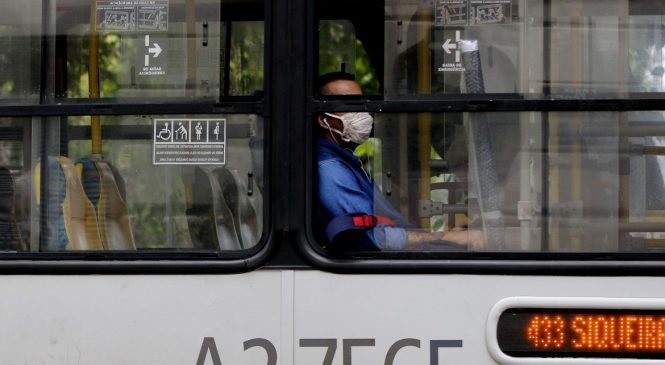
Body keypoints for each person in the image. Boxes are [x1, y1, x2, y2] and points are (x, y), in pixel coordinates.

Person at [315, 72, 482, 252]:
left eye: (361, 103)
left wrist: (446, 237)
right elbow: (371, 239)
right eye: (349, 105)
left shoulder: (346, 162)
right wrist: (449, 238)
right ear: (324, 121)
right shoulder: (330, 169)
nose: (361, 112)